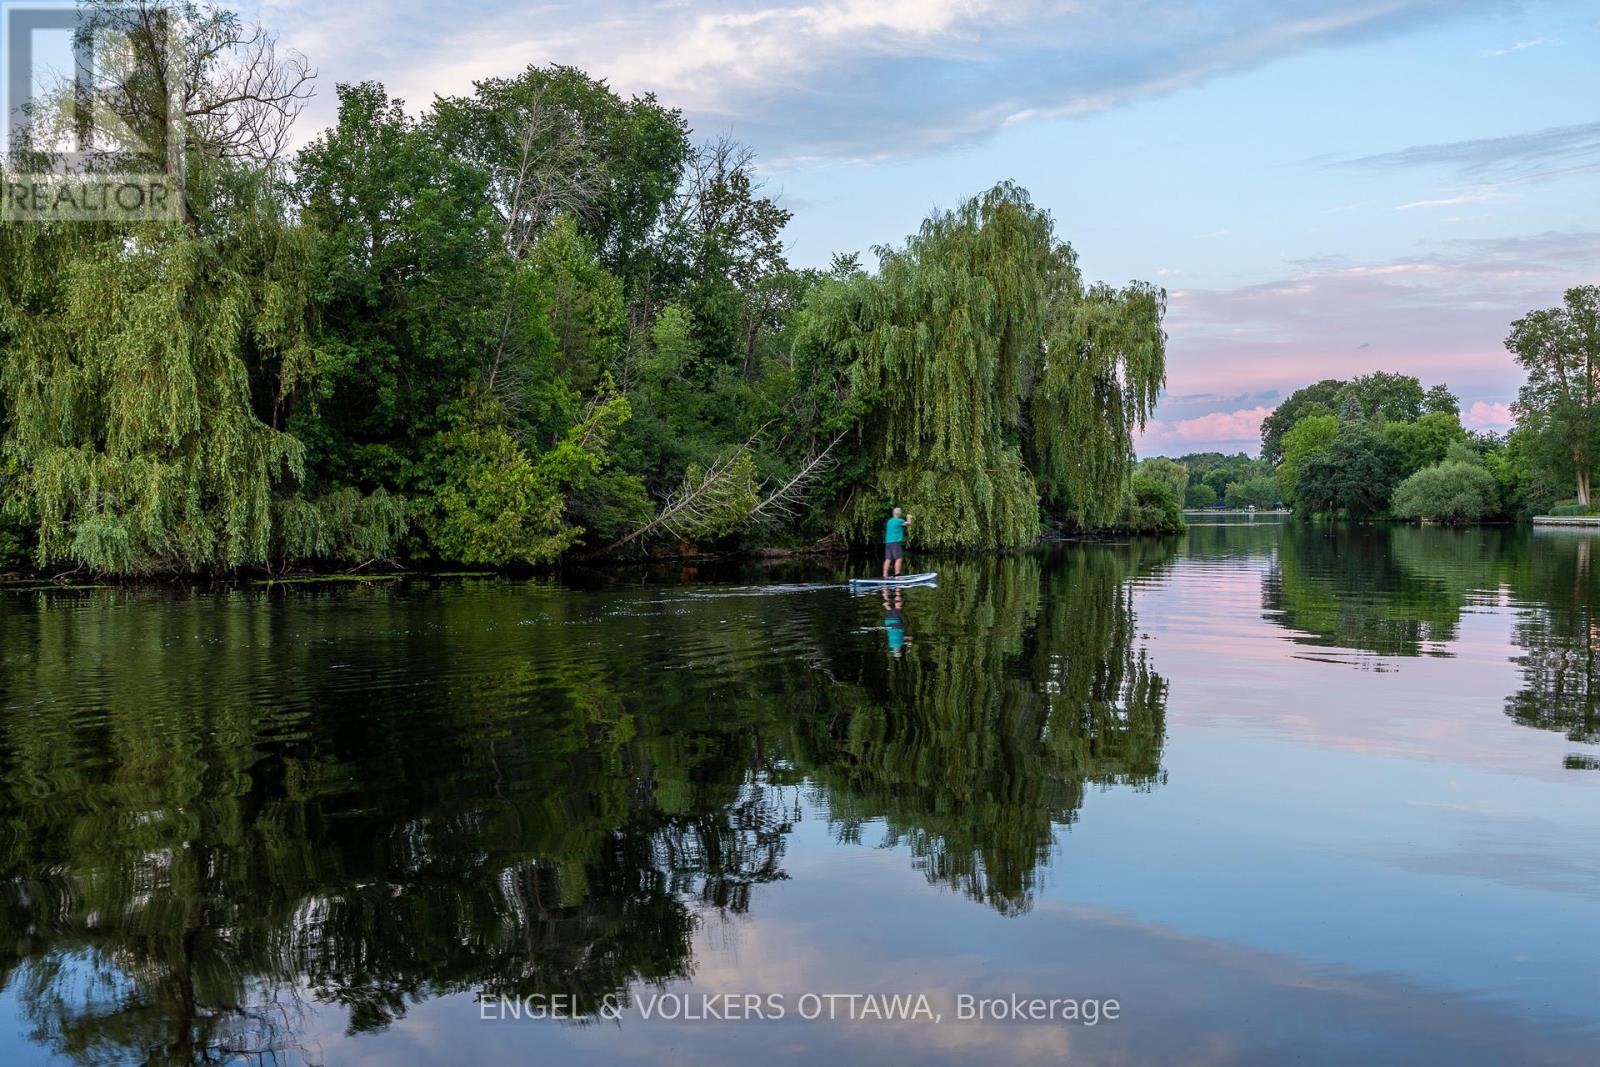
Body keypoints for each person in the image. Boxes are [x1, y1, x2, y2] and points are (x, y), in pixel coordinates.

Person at [883, 507, 912, 578]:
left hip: (888, 543)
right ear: (899, 513)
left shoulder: (889, 521)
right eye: (900, 512)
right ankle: (897, 576)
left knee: (888, 559)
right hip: (895, 543)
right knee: (898, 559)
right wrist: (909, 517)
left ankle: (885, 575)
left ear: (893, 513)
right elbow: (909, 523)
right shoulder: (899, 520)